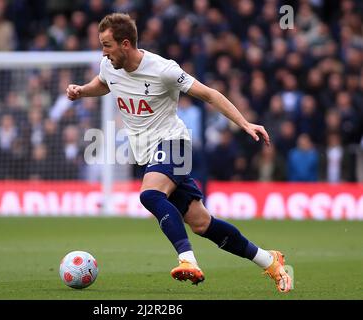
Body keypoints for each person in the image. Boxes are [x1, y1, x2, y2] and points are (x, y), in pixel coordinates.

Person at [66, 13, 291, 293]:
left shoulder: (163, 70)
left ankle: (188, 260)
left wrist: (244, 123)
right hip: (148, 154)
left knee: (150, 195)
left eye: (107, 45)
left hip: (174, 143)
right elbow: (104, 82)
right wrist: (82, 91)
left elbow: (209, 94)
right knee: (202, 223)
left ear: (125, 44)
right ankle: (269, 260)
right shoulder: (109, 65)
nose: (103, 52)